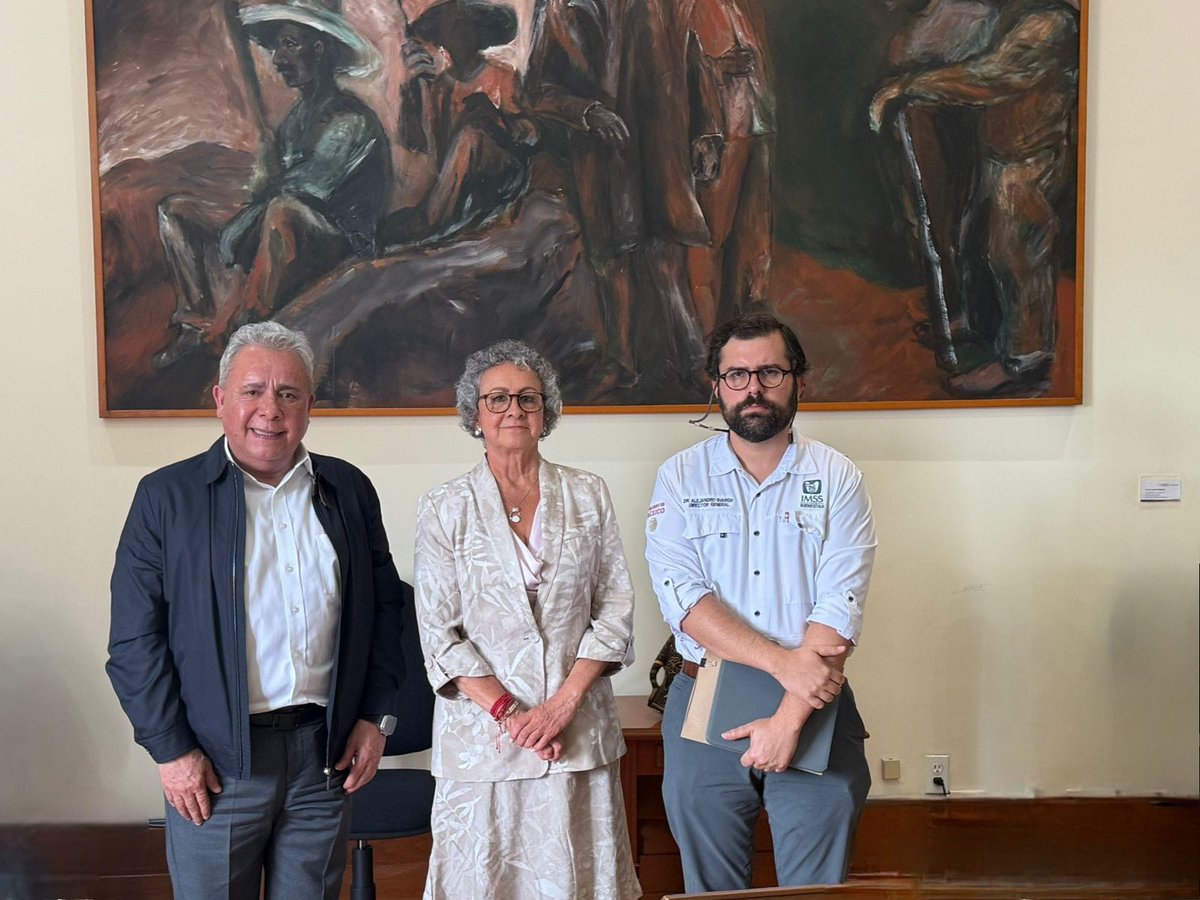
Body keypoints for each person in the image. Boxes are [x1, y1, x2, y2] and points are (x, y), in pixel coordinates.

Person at [107, 322, 407, 900]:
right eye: (253, 391)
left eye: (289, 394)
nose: (270, 409)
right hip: (214, 766)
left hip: (325, 758)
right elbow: (133, 643)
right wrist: (171, 751)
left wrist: (376, 716)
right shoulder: (166, 499)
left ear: (310, 406)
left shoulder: (348, 490)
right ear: (220, 401)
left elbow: (386, 611)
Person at [644, 312, 877, 891]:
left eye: (770, 372)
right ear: (716, 385)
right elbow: (685, 601)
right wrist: (782, 663)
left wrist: (789, 715)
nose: (753, 388)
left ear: (800, 380)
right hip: (704, 696)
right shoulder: (678, 478)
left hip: (814, 703)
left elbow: (840, 604)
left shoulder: (837, 477)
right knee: (713, 891)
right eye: (737, 374)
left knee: (812, 891)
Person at [414, 339, 641, 899]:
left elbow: (615, 608)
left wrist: (561, 706)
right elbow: (439, 634)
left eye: (528, 398)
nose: (513, 409)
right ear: (474, 415)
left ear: (547, 413)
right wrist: (512, 714)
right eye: (497, 399)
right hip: (483, 743)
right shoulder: (445, 506)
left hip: (576, 734)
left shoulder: (589, 494)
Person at [153, 0, 391, 368]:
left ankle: (246, 323)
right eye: (275, 47)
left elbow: (297, 195)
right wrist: (265, 168)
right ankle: (193, 323)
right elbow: (263, 192)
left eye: (289, 44)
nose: (278, 58)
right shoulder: (294, 121)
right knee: (176, 211)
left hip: (340, 240)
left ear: (320, 48)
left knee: (283, 213)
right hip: (284, 218)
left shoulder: (351, 121)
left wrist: (235, 235)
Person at [869, 0, 1080, 394]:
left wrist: (910, 86)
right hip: (1002, 153)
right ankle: (982, 320)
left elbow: (992, 76)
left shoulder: (1051, 23)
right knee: (977, 238)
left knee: (1014, 251)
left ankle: (1024, 358)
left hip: (1032, 157)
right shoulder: (1011, 16)